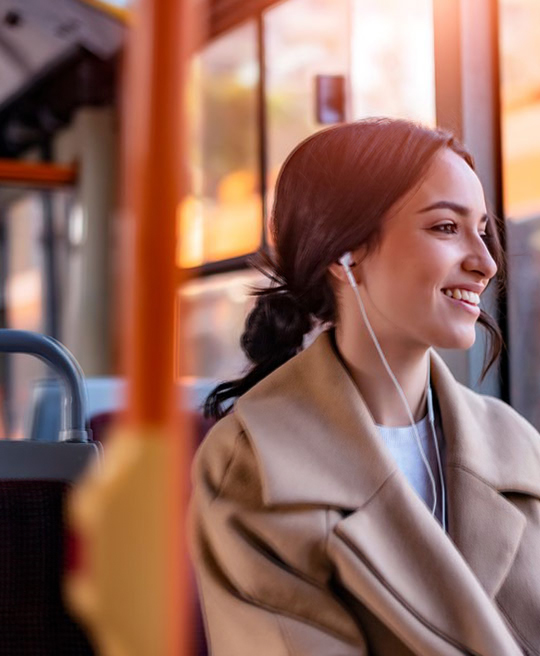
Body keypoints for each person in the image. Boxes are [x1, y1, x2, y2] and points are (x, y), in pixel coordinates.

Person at [189, 118, 540, 655]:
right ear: (343, 251)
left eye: (483, 230)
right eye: (446, 227)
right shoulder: (254, 464)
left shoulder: (516, 445)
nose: (486, 262)